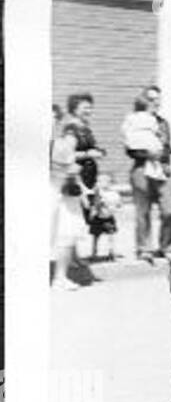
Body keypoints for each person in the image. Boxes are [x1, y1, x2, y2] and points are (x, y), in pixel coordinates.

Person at [123, 86, 171, 260]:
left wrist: (166, 160)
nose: (156, 102)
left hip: (162, 169)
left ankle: (168, 247)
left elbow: (168, 146)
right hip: (141, 168)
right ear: (144, 101)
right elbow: (130, 150)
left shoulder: (163, 123)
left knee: (169, 211)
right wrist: (148, 154)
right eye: (152, 99)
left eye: (158, 99)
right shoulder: (134, 121)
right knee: (143, 212)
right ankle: (144, 248)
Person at [50, 103, 84, 290]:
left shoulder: (61, 145)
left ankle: (59, 277)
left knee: (65, 232)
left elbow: (69, 170)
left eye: (54, 118)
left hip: (59, 192)